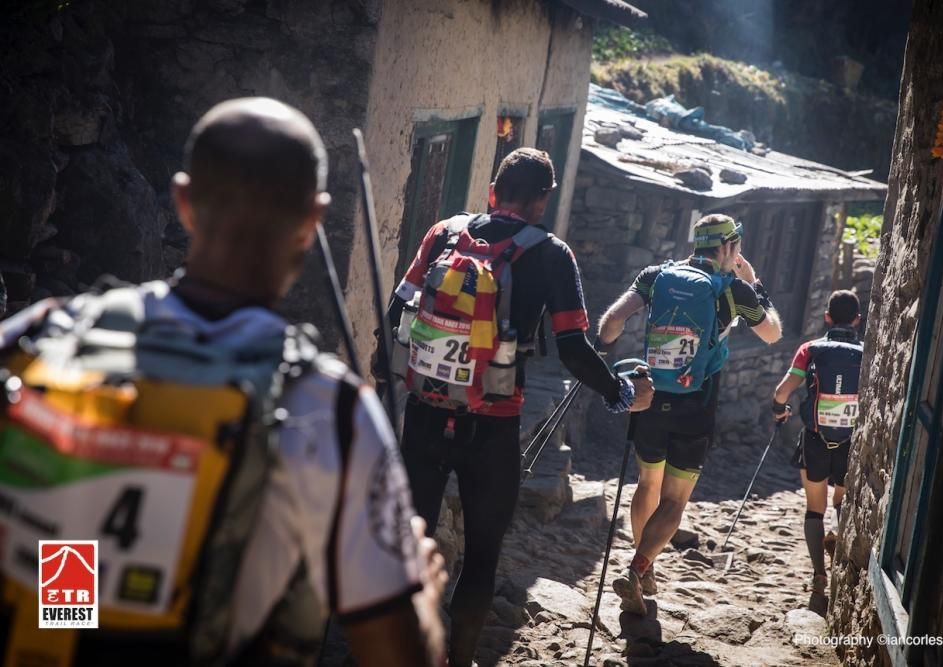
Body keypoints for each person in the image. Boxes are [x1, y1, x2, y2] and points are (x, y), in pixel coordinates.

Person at [0, 98, 445, 667]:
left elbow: (78, 554)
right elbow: (397, 656)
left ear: (182, 201)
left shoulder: (41, 334)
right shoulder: (328, 409)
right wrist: (425, 594)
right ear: (314, 220)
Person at [380, 147, 653, 667]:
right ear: (543, 200)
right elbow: (572, 347)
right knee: (482, 556)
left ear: (492, 191)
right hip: (493, 425)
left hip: (425, 413)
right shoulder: (551, 254)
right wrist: (618, 392)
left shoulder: (443, 235)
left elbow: (397, 313)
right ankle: (459, 658)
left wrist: (385, 382)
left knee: (407, 541)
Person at [596, 213, 782, 615]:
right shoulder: (733, 290)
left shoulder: (656, 276)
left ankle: (641, 571)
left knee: (647, 483)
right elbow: (772, 334)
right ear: (728, 248)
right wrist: (755, 285)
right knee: (675, 501)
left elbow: (611, 323)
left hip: (648, 396)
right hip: (696, 404)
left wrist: (603, 354)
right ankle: (639, 567)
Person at [772, 289, 863, 595]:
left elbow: (782, 392)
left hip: (815, 439)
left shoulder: (809, 349)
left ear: (826, 317)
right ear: (857, 320)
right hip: (850, 441)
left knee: (815, 508)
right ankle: (840, 542)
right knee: (841, 500)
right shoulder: (867, 353)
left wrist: (779, 410)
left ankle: (819, 575)